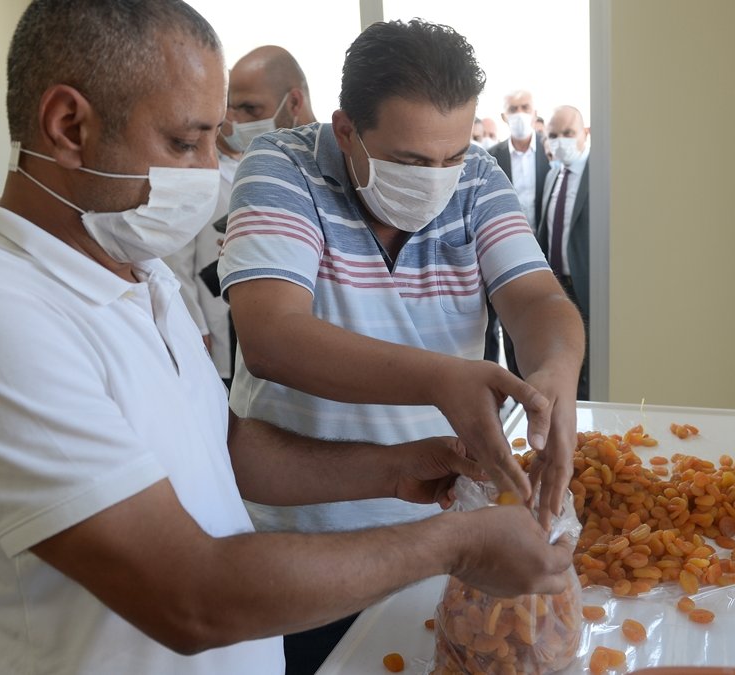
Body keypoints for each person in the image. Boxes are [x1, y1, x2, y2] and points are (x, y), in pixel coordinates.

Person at [0, 3, 574, 674]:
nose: (211, 171)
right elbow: (189, 593)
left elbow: (224, 447)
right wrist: (455, 542)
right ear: (66, 124)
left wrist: (389, 469)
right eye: (184, 140)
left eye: (217, 137)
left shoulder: (137, 281)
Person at [218, 19, 585, 671]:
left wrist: (557, 368)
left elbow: (538, 302)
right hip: (306, 537)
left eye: (451, 155)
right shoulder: (282, 169)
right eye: (412, 162)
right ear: (345, 131)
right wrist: (441, 379)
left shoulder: (477, 181)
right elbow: (271, 333)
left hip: (446, 527)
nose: (437, 180)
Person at [168, 45, 320, 386]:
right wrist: (195, 328)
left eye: (250, 109)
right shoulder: (221, 170)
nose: (234, 122)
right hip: (230, 330)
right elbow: (175, 263)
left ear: (294, 103)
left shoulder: (336, 168)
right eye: (231, 109)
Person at [485, 89, 551, 373]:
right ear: (504, 116)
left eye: (526, 107)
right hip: (501, 258)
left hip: (546, 257)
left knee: (540, 332)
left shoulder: (551, 156)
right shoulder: (491, 158)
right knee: (505, 334)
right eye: (514, 109)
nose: (520, 114)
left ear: (535, 113)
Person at [538, 105, 592, 400]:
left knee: (592, 368)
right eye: (554, 135)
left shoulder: (601, 172)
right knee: (564, 364)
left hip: (587, 287)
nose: (561, 141)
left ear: (584, 133)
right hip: (558, 287)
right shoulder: (553, 177)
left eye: (568, 133)